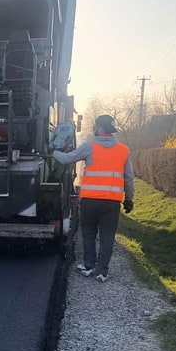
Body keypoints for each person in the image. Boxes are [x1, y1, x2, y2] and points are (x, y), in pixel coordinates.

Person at [53, 114, 135, 282]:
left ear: (101, 129)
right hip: (112, 203)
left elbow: (68, 159)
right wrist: (129, 199)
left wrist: (53, 151)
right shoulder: (123, 150)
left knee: (89, 233)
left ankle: (89, 266)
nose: (93, 128)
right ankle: (102, 272)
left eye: (95, 126)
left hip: (90, 201)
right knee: (107, 237)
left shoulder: (89, 147)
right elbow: (129, 178)